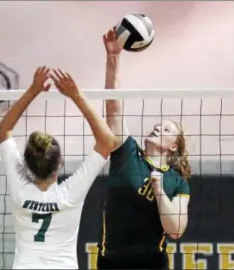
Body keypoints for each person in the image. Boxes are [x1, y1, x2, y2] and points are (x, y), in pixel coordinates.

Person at [0, 66, 117, 269]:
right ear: (60, 164)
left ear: (27, 164)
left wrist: (33, 90)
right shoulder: (69, 193)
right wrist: (76, 95)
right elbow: (107, 141)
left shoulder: (20, 190)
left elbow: (4, 130)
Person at [96, 28, 191, 270]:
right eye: (159, 125)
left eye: (167, 130)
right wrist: (113, 57)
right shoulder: (127, 153)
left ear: (173, 148)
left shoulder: (176, 182)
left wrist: (159, 190)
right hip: (112, 262)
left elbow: (176, 230)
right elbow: (114, 107)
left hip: (152, 264)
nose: (159, 128)